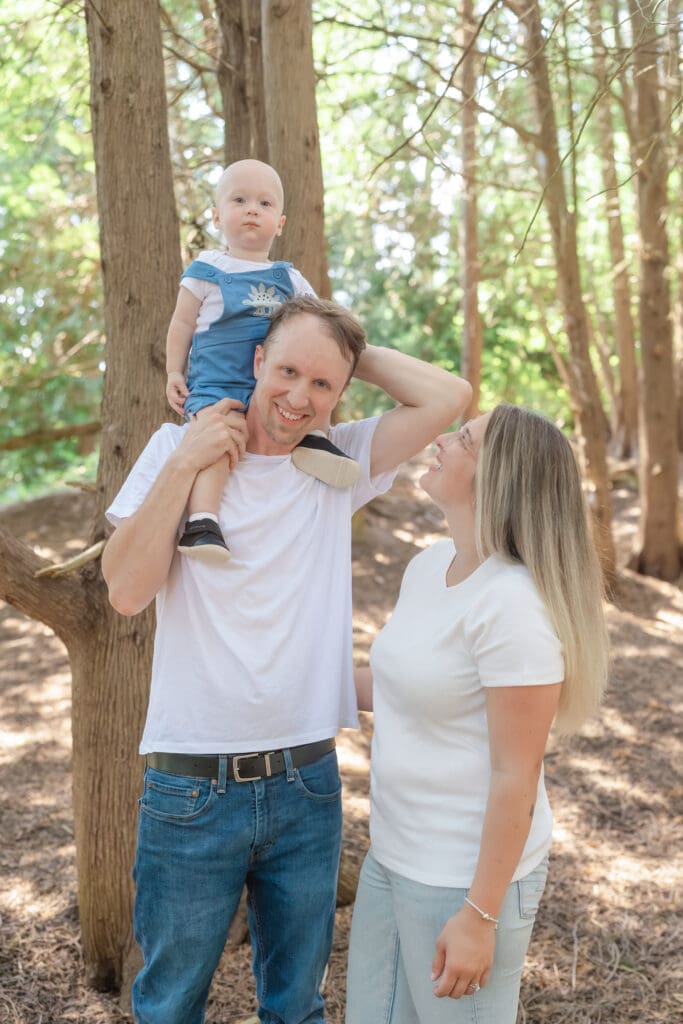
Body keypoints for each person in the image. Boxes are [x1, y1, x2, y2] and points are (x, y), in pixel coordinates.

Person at [101, 294, 472, 1024]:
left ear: (341, 394)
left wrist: (339, 345)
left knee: (297, 1007)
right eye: (288, 370)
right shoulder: (171, 448)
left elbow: (449, 396)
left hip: (307, 783)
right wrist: (187, 465)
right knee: (169, 1006)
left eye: (323, 384)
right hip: (190, 787)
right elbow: (124, 591)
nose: (300, 397)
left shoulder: (337, 465)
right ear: (256, 359)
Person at [346, 404, 609, 1024]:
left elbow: (515, 776)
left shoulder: (514, 606)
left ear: (498, 478)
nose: (440, 440)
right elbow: (402, 687)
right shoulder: (429, 566)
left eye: (461, 438)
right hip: (389, 856)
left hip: (464, 884)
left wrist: (479, 917)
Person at [165, 158, 357, 566]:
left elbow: (318, 329)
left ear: (280, 222)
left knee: (305, 392)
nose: (253, 209)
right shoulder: (206, 271)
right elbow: (181, 324)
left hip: (270, 385)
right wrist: (173, 371)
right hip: (217, 387)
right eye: (240, 200)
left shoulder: (289, 278)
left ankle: (318, 442)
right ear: (218, 216)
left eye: (265, 203)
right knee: (218, 444)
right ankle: (202, 522)